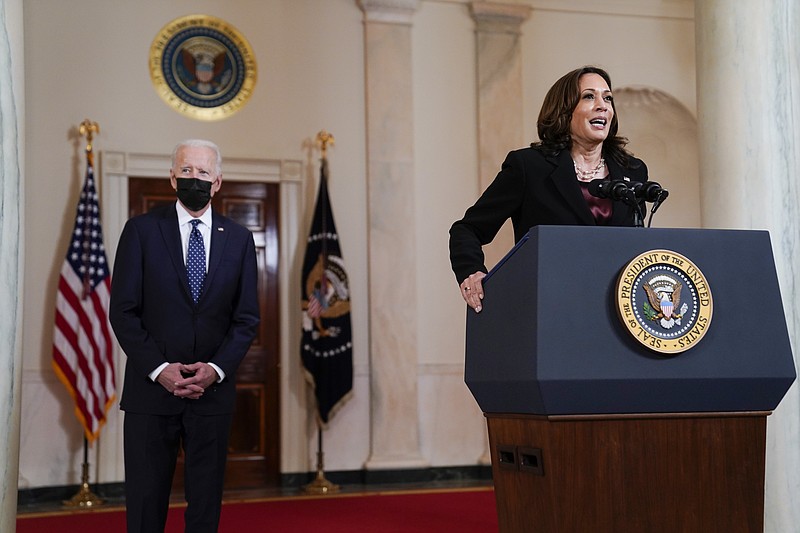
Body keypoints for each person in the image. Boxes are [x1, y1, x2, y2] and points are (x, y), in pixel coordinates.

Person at [109, 139, 260, 532]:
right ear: (172, 176)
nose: (195, 178)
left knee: (205, 507)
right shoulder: (141, 231)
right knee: (145, 505)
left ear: (218, 181)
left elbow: (246, 319)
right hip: (150, 394)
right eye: (187, 171)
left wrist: (215, 369)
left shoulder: (240, 239)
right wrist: (160, 369)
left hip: (211, 396)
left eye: (203, 172)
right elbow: (123, 312)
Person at [449, 66, 648, 313]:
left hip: (618, 310)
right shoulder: (529, 167)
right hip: (549, 307)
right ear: (565, 110)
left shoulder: (633, 171)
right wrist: (471, 273)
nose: (603, 105)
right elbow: (467, 229)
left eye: (607, 98)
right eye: (589, 96)